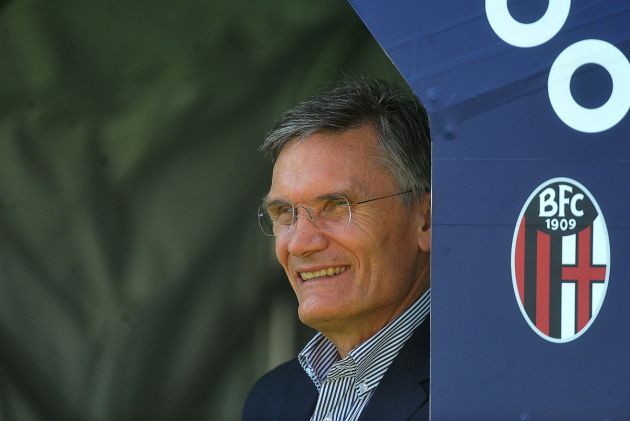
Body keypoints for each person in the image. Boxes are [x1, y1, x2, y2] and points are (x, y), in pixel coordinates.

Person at [243, 77, 432, 421]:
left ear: (426, 220)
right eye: (285, 212)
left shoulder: (480, 389)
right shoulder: (271, 400)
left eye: (336, 205)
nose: (299, 242)